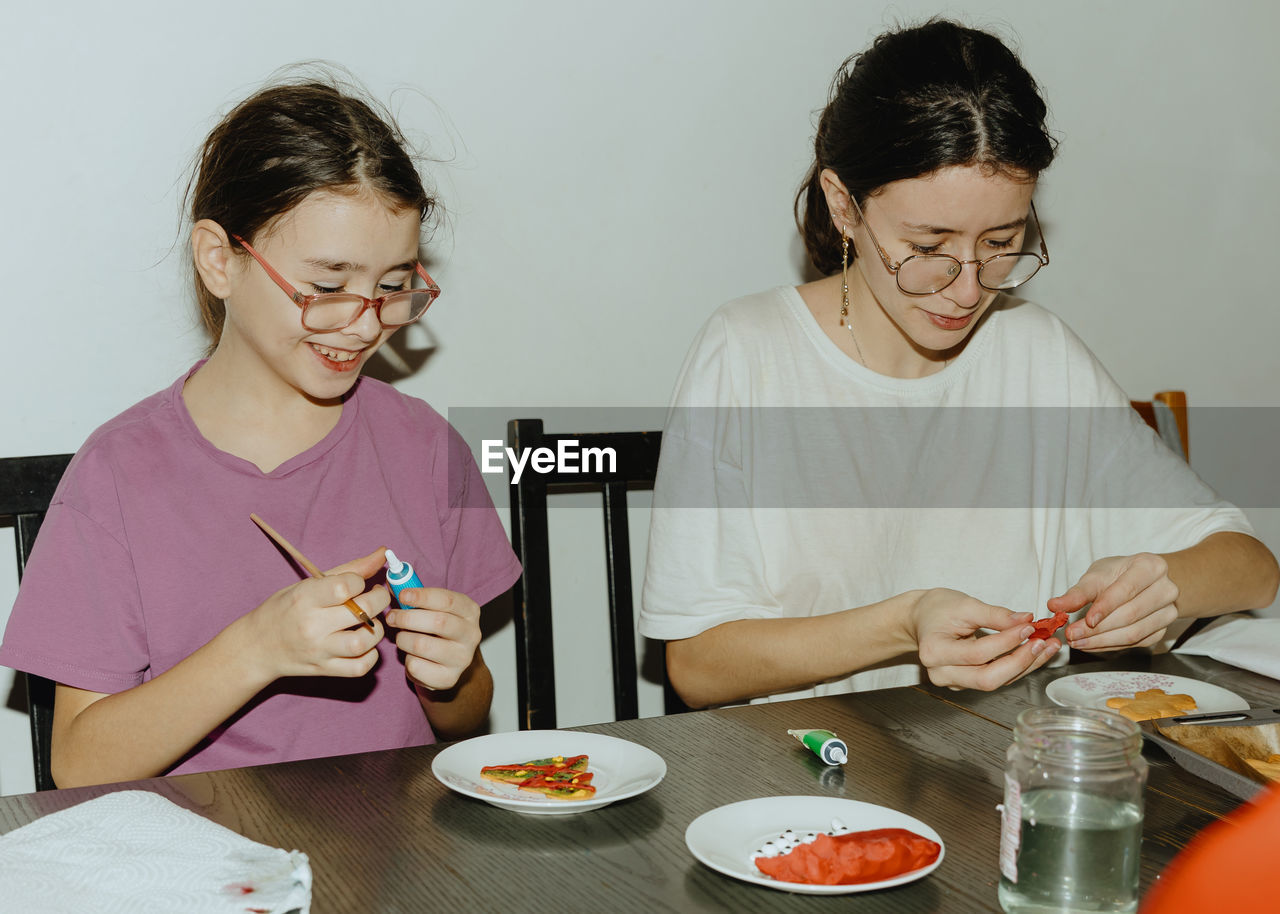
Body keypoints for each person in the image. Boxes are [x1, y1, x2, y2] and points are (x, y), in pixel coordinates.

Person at [638, 20, 1278, 709]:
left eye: (1002, 241)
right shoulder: (749, 355)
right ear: (843, 205)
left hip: (1003, 770)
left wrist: (1162, 581)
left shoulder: (1036, 356)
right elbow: (699, 666)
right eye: (928, 245)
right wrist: (903, 623)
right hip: (810, 780)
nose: (969, 287)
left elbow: (1253, 570)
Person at [0, 75, 521, 787]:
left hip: (399, 866)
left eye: (393, 285)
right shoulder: (119, 475)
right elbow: (79, 764)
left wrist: (453, 677)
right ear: (220, 260)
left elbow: (466, 715)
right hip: (203, 871)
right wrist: (255, 650)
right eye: (329, 284)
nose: (364, 323)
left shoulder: (427, 449)